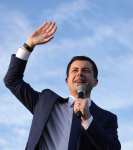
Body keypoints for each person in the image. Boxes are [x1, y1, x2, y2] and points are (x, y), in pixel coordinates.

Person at [4, 21, 121, 150]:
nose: (80, 73)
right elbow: (12, 80)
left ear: (95, 82)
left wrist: (88, 119)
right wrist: (28, 45)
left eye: (86, 71)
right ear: (67, 80)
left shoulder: (107, 118)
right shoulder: (44, 103)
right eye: (74, 70)